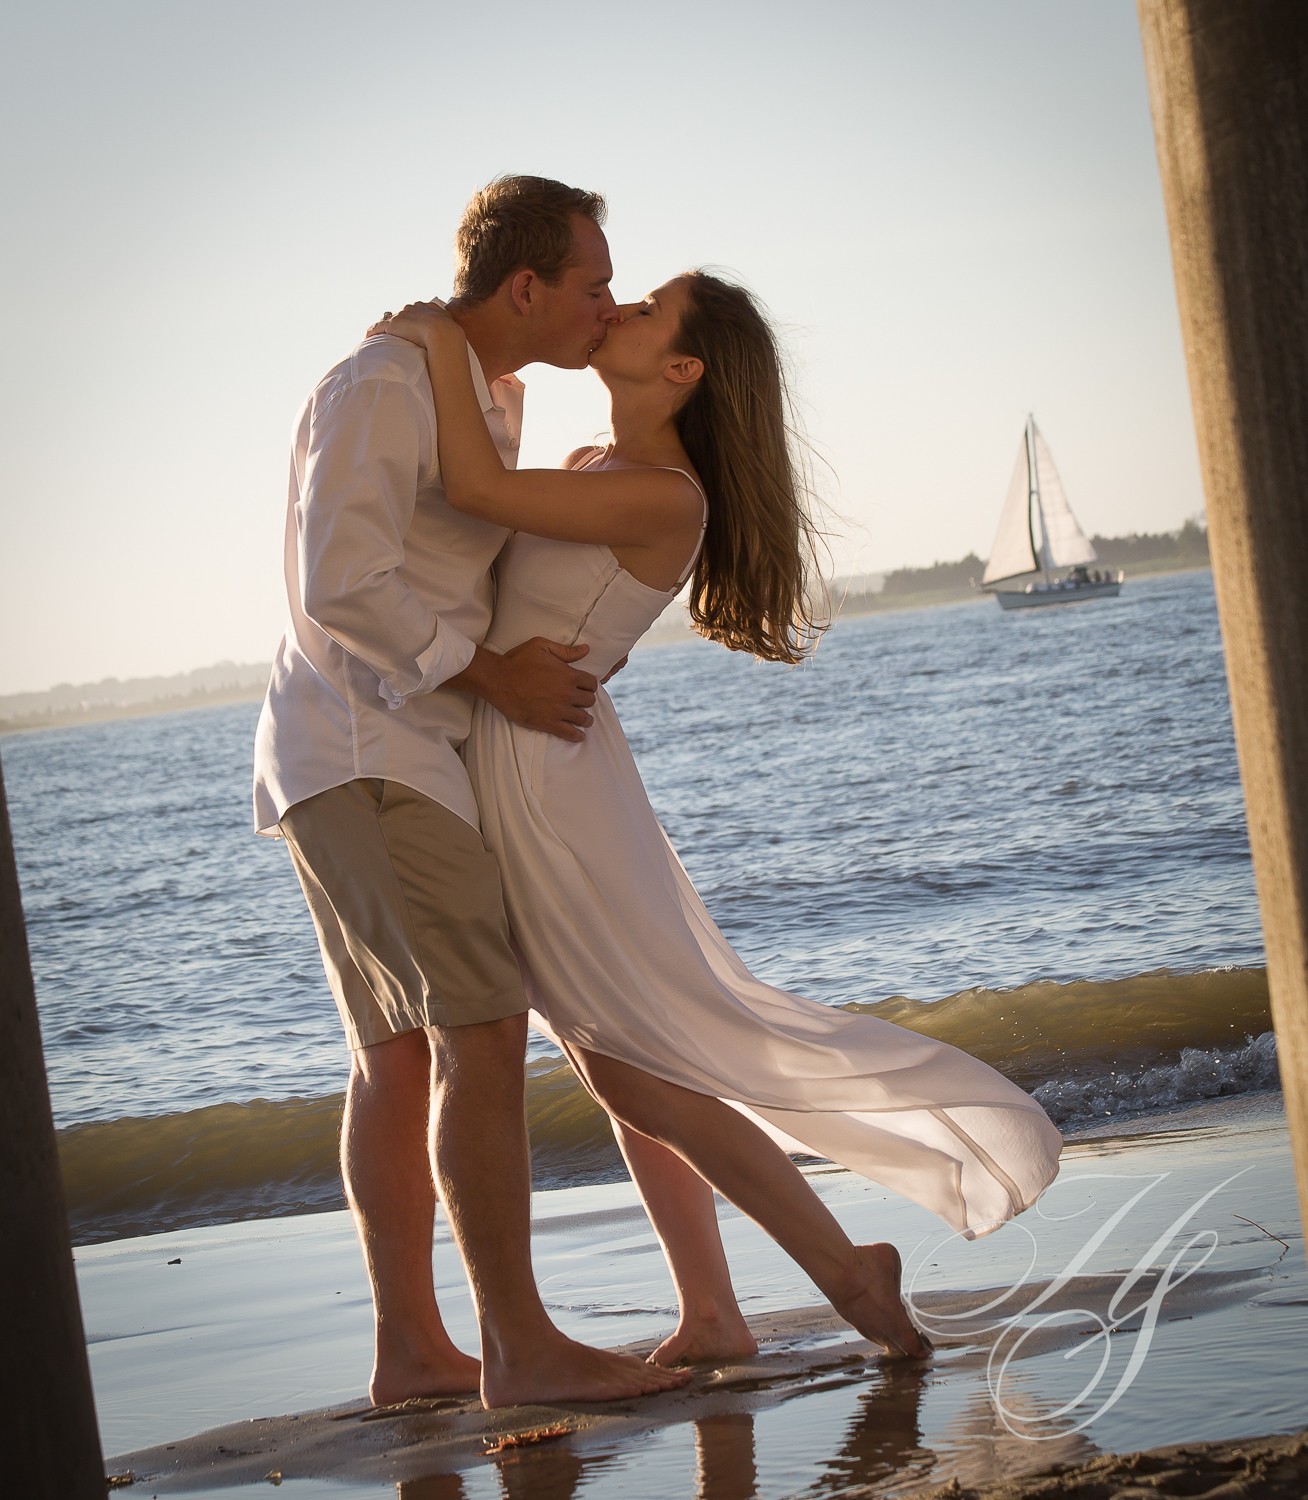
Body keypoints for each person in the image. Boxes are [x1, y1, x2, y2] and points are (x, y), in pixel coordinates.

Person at [372, 273, 1064, 1366]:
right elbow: (472, 518)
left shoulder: (666, 495)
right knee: (629, 1057)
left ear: (681, 370)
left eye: (644, 310)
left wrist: (431, 341)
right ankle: (727, 1306)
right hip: (525, 759)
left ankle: (839, 1273)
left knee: (631, 1065)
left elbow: (471, 483)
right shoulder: (600, 468)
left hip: (554, 790)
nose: (620, 310)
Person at [252, 175, 691, 1410]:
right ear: (526, 287)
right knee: (482, 1028)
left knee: (397, 1056)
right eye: (595, 283)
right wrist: (487, 673)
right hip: (367, 746)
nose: (608, 305)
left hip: (371, 752)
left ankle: (412, 1357)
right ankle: (521, 1348)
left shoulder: (471, 390)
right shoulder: (386, 382)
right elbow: (342, 581)